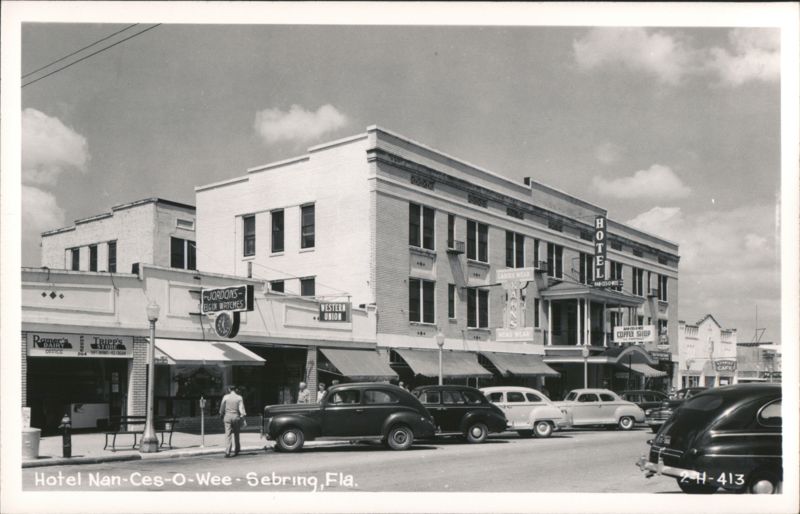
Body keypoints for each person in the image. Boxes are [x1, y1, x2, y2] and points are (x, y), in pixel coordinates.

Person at [219, 385, 246, 458]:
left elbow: (222, 407)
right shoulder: (239, 397)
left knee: (228, 435)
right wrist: (242, 417)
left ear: (229, 389)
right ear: (235, 390)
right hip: (236, 417)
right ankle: (237, 449)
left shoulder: (226, 397)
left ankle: (227, 451)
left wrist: (221, 414)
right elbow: (241, 409)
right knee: (237, 434)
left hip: (227, 416)